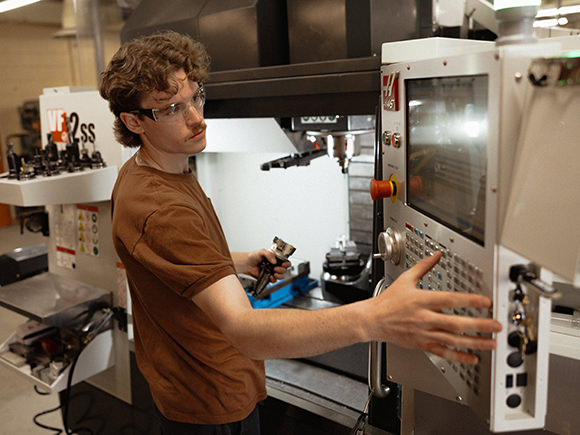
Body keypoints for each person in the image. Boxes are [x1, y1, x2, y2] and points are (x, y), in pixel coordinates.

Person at [99, 31, 502, 435]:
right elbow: (246, 330)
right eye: (171, 109)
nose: (196, 117)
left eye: (195, 97)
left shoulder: (147, 173)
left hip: (199, 384)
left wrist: (233, 262)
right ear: (134, 121)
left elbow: (170, 260)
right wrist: (376, 317)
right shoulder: (161, 206)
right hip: (209, 402)